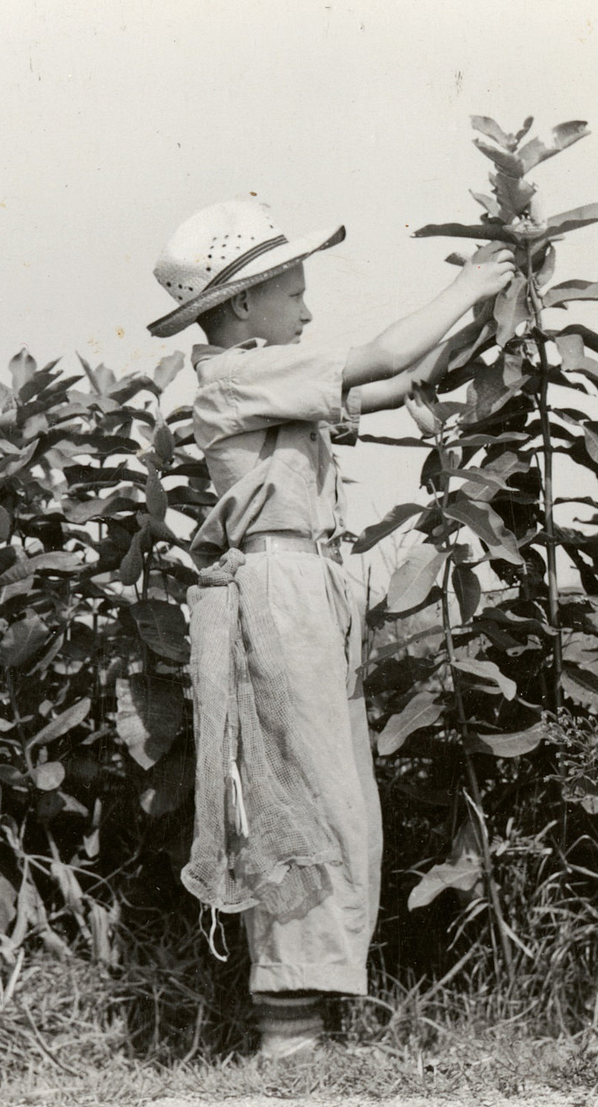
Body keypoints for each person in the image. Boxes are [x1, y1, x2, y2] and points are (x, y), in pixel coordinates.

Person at [147, 196, 514, 1060]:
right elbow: (381, 354)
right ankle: (288, 1035)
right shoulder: (237, 373)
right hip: (278, 588)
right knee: (295, 797)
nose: (309, 311)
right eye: (296, 295)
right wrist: (469, 282)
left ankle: (305, 1023)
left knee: (336, 800)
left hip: (310, 584)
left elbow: (394, 382)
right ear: (243, 306)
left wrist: (477, 338)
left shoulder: (266, 377)